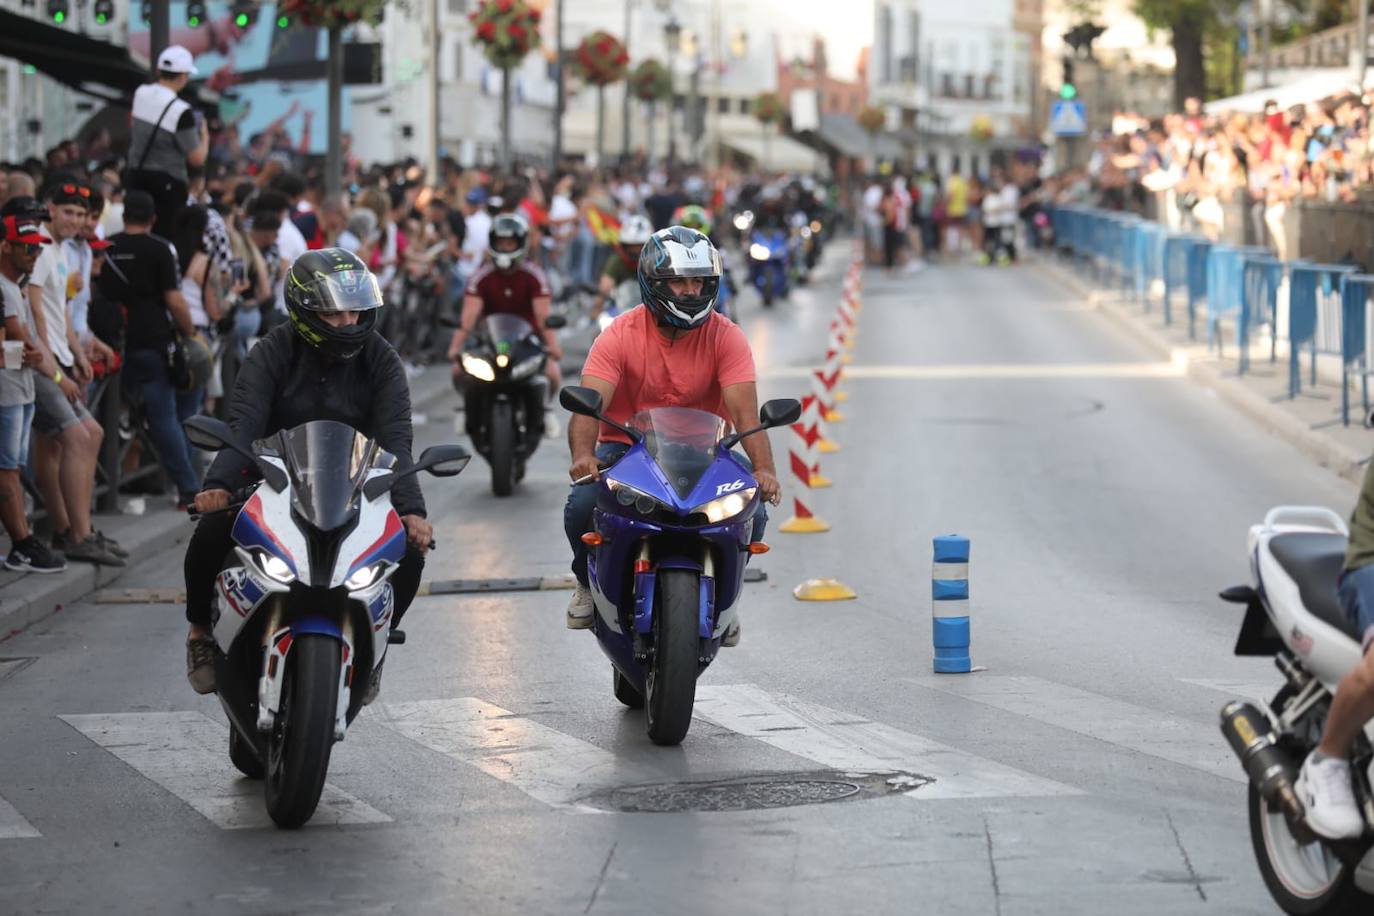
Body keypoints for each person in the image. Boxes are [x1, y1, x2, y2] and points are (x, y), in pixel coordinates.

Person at [183, 248, 432, 697]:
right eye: (334, 313)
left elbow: (397, 440)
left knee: (410, 553)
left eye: (355, 311)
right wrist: (217, 486)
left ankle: (375, 648)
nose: (348, 322)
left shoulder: (382, 359)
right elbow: (243, 425)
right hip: (273, 481)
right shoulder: (270, 352)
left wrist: (412, 510)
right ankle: (200, 631)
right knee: (212, 530)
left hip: (354, 487)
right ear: (305, 312)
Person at [562, 226, 782, 640]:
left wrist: (765, 470)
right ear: (653, 282)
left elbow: (745, 414)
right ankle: (586, 583)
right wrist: (583, 456)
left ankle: (725, 600)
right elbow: (590, 402)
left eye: (699, 281)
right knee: (582, 503)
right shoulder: (618, 335)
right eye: (679, 281)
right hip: (628, 449)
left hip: (707, 451)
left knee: (755, 512)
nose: (690, 291)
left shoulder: (727, 336)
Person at [28, 185, 121, 565]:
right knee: (80, 438)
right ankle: (76, 534)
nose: (75, 220)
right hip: (42, 362)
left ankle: (73, 529)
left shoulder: (61, 248)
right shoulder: (38, 247)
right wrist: (54, 368)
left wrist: (79, 352)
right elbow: (35, 313)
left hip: (60, 357)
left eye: (81, 214)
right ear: (50, 208)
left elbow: (62, 310)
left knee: (83, 437)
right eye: (68, 212)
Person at [98, 190, 202, 508]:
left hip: (110, 342)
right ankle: (187, 489)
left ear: (124, 215)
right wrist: (191, 333)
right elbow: (174, 300)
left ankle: (103, 490)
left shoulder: (106, 247)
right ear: (153, 218)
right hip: (153, 343)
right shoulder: (160, 249)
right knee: (164, 418)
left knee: (108, 415)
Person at [446, 213, 563, 438]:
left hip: (526, 339)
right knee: (458, 370)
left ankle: (546, 409)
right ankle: (465, 408)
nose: (505, 248)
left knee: (552, 372)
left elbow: (543, 316)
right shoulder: (480, 276)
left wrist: (553, 346)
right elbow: (469, 315)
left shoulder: (534, 276)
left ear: (521, 244)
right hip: (490, 338)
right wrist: (455, 347)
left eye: (510, 243)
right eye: (501, 243)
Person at [0, 214, 65, 573]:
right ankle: (23, 543)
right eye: (27, 248)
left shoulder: (16, 285)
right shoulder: (3, 286)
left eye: (37, 248)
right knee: (7, 471)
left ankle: (22, 542)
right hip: (7, 392)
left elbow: (23, 344)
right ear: (6, 247)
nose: (34, 254)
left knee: (14, 468)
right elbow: (18, 340)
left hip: (19, 388)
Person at [126, 45, 210, 238]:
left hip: (136, 176)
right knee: (164, 237)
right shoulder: (181, 110)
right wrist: (204, 136)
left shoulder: (140, 93)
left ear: (158, 71)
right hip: (168, 185)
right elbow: (197, 158)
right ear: (183, 76)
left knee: (135, 233)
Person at [597, 214, 652, 312]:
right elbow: (606, 285)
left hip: (650, 310)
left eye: (639, 245)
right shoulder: (617, 260)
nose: (635, 250)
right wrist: (597, 309)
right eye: (631, 246)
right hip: (622, 309)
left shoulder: (656, 263)